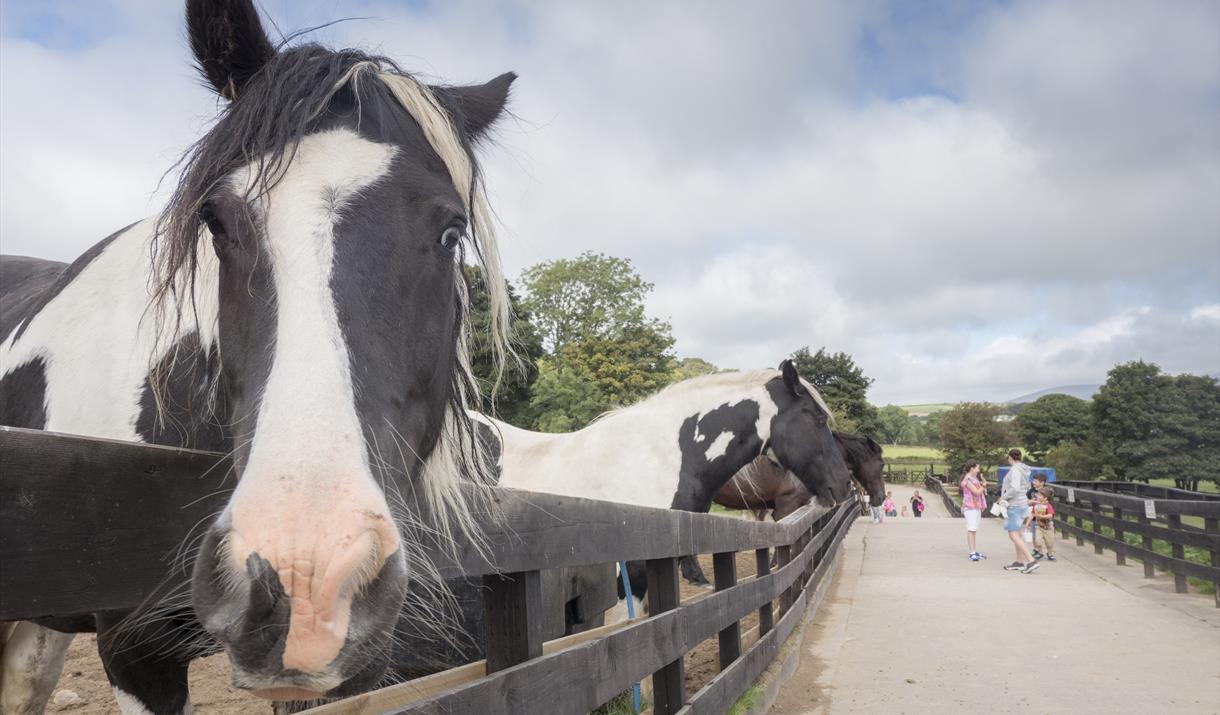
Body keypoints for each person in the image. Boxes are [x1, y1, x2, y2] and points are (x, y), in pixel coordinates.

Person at [1000, 449, 1039, 573]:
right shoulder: (1024, 469)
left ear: (1010, 457)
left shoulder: (1015, 469)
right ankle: (1019, 561)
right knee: (1018, 534)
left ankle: (1031, 560)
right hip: (1022, 504)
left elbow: (1015, 488)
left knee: (1013, 534)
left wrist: (1004, 497)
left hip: (1015, 505)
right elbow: (1026, 487)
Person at [959, 461, 987, 561]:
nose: (978, 470)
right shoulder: (968, 480)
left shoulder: (973, 478)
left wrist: (983, 482)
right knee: (971, 529)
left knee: (974, 529)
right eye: (977, 468)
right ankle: (972, 552)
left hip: (975, 506)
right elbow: (976, 492)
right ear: (972, 468)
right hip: (970, 507)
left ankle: (974, 551)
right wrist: (983, 485)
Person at [1029, 487, 1056, 561]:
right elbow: (1032, 514)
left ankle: (1050, 554)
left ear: (1045, 498)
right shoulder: (1036, 505)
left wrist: (1041, 516)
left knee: (1049, 543)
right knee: (1038, 541)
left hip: (1048, 528)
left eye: (1039, 495)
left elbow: (1050, 515)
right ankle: (1040, 553)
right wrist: (1027, 523)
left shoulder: (1048, 505)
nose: (1037, 496)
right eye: (1038, 494)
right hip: (1039, 527)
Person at [1027, 473, 1048, 557]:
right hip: (1033, 516)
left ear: (1042, 482)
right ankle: (1037, 550)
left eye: (1035, 481)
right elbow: (1027, 501)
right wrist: (1032, 501)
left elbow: (1049, 502)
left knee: (1045, 536)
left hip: (1044, 517)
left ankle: (1048, 552)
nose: (1033, 482)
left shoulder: (1047, 491)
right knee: (1034, 535)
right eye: (1033, 481)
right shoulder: (1031, 491)